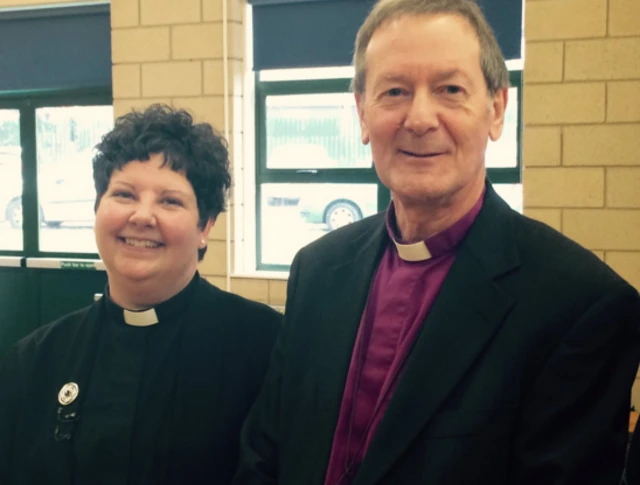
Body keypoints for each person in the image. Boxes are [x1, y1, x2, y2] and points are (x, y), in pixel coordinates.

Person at [232, 1, 640, 484]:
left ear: (496, 108)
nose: (420, 118)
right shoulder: (317, 270)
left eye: (450, 89)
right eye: (395, 91)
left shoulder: (579, 306)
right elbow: (265, 452)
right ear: (363, 114)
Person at [0, 104, 282, 485]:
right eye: (124, 194)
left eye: (170, 201)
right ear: (97, 208)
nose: (142, 216)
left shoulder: (266, 347)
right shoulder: (37, 359)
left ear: (205, 227)